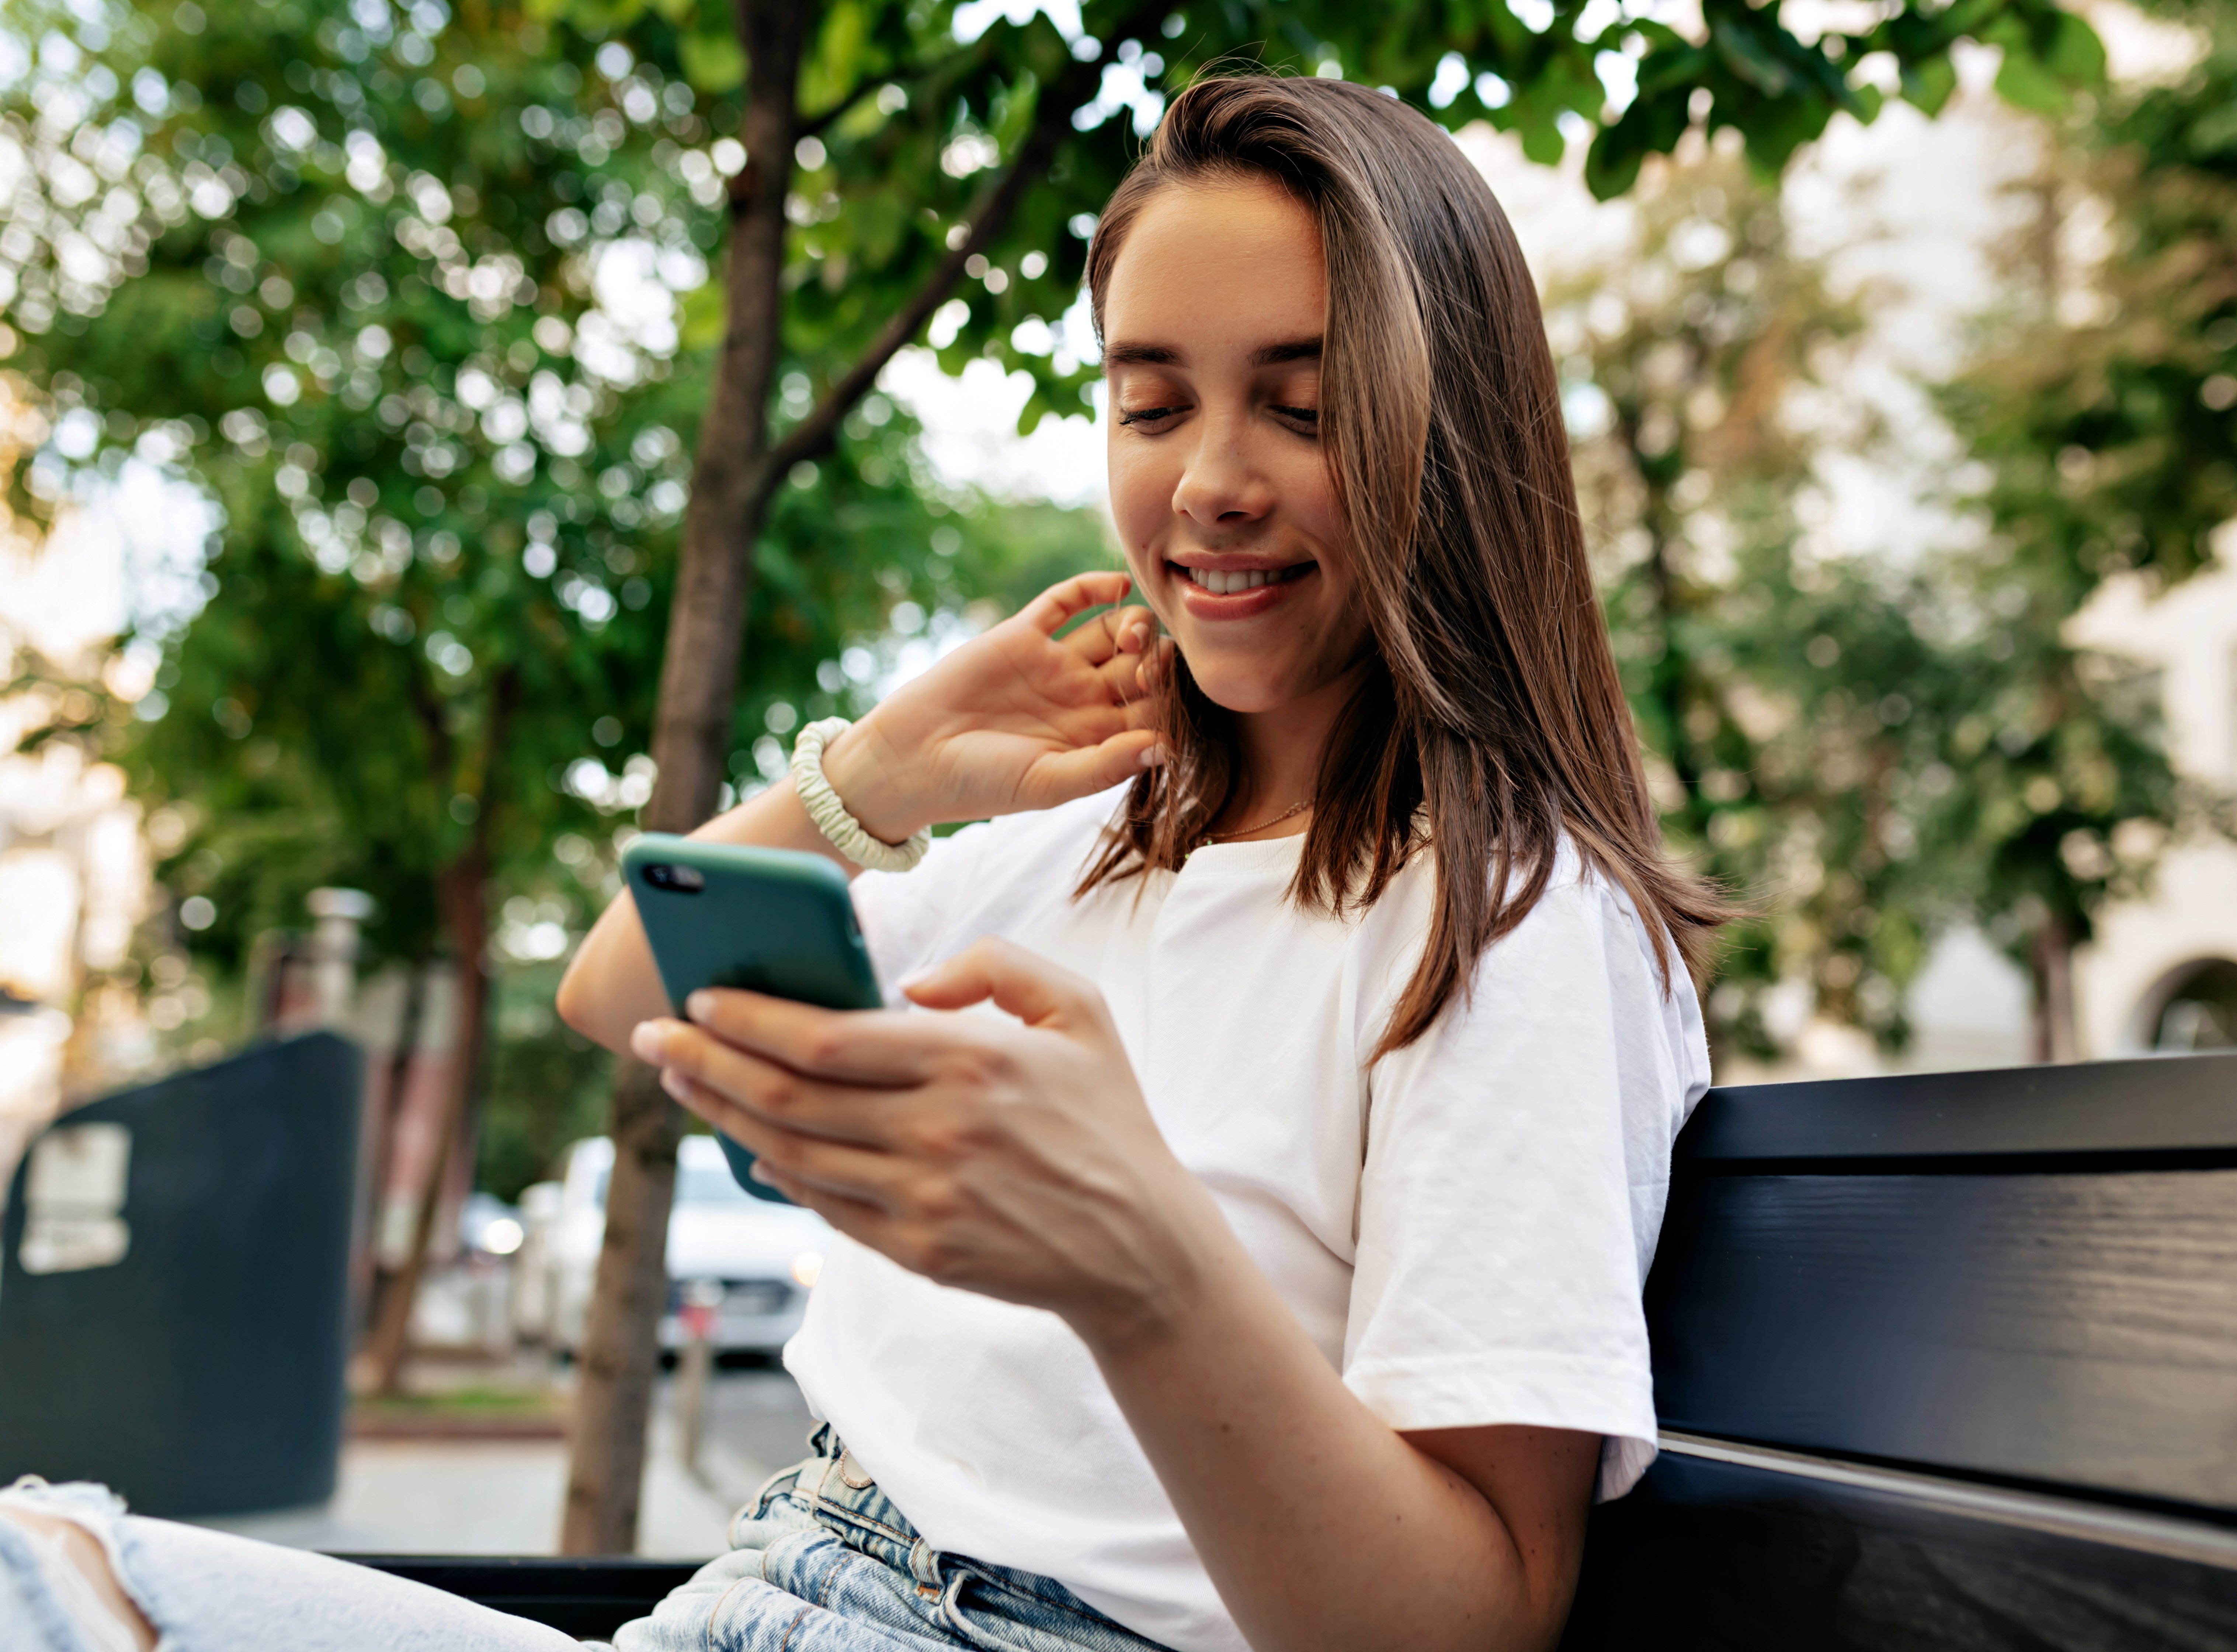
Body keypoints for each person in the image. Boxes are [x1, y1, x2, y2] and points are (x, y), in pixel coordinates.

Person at [0, 71, 1719, 1652]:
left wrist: (1142, 1260)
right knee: (41, 1572)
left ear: (1455, 428)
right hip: (760, 1584)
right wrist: (886, 765)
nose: (1210, 483)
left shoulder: (1512, 925)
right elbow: (624, 984)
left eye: (1302, 403)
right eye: (1150, 405)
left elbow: (1472, 1624)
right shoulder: (1080, 849)